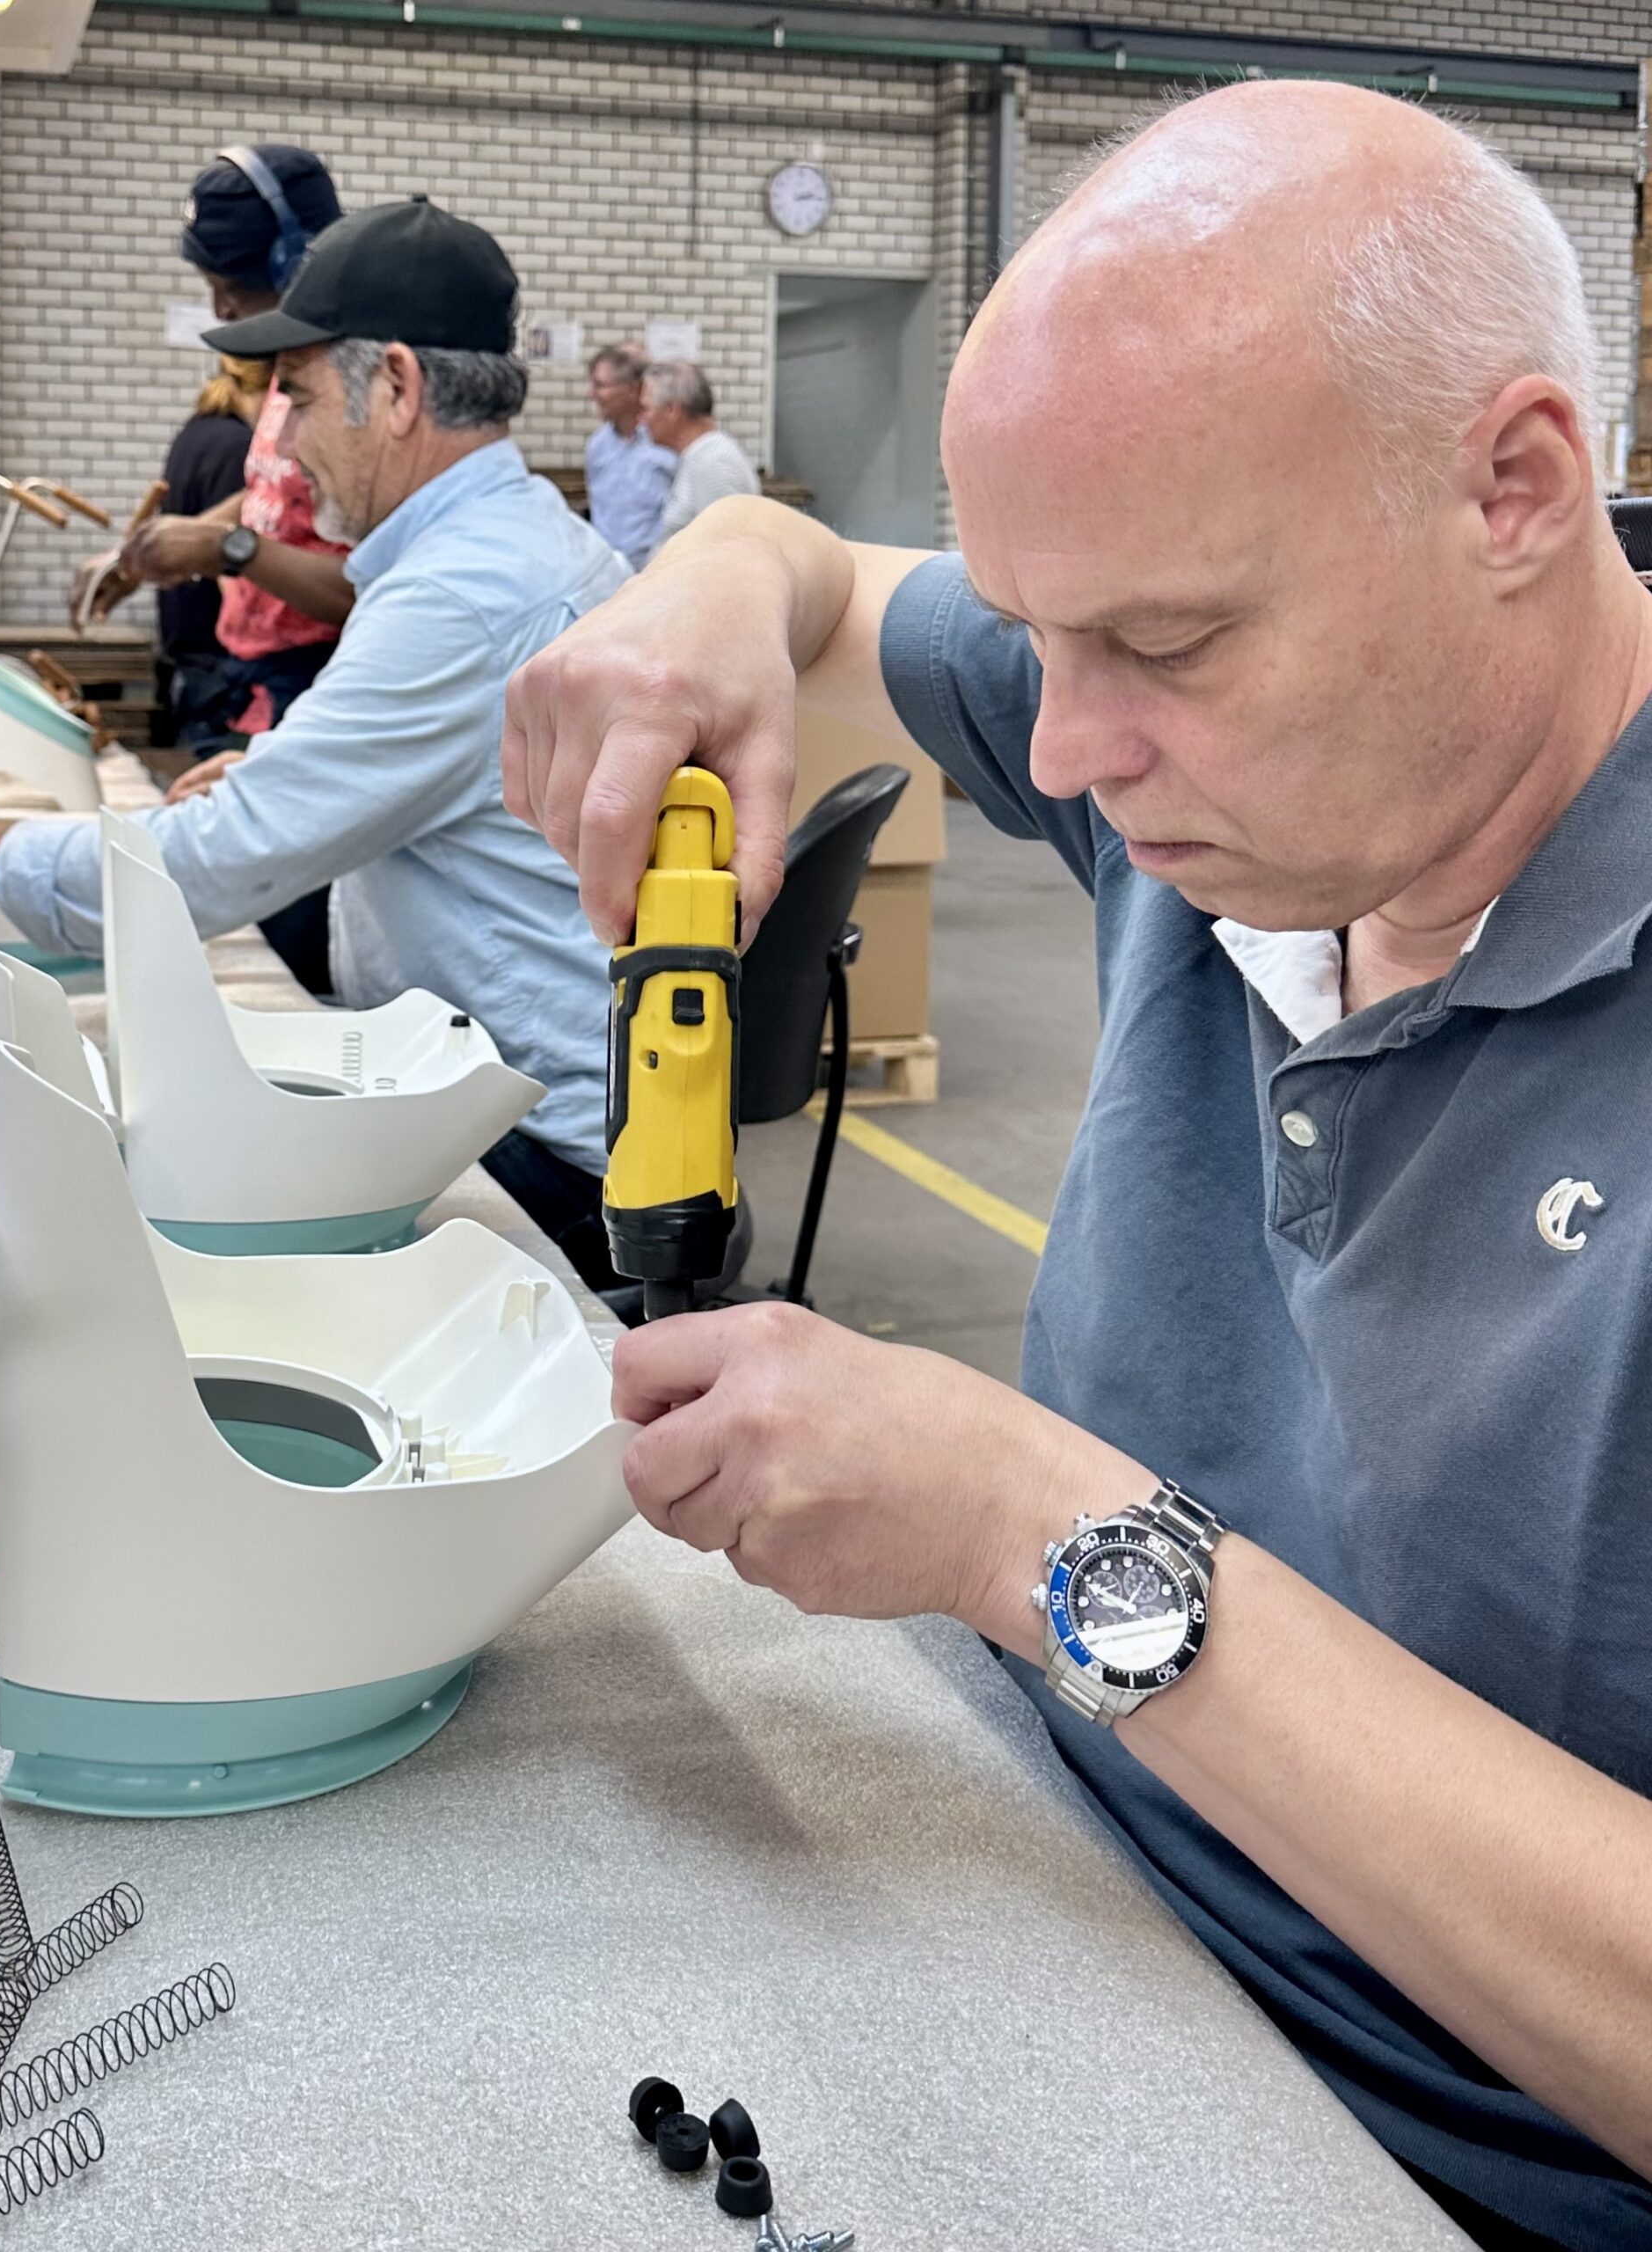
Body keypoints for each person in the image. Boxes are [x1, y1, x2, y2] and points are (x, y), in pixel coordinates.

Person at [503, 82, 1652, 2252]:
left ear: (1513, 484)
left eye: (1166, 645)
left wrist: (1041, 1533)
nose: (1055, 755)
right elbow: (828, 586)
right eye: (1036, 638)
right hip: (1038, 1909)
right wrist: (710, 578)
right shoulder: (1224, 773)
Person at [0, 198, 630, 1293]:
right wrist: (283, 781)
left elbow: (206, 872)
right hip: (538, 1090)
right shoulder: (505, 551)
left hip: (543, 1157)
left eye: (302, 398)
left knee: (114, 1239)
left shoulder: (461, 596)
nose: (275, 442)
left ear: (398, 388)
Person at [69, 142, 354, 990]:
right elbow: (272, 493)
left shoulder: (348, 380)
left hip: (313, 682)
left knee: (294, 953)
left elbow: (358, 586)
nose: (221, 303)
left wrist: (227, 549)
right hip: (255, 687)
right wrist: (169, 543)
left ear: (292, 258)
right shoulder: (286, 370)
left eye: (230, 278)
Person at [146, 352, 266, 750]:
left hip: (186, 651)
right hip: (217, 661)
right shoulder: (238, 447)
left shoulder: (194, 432)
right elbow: (227, 560)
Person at [641, 361, 758, 552]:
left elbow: (730, 554)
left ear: (672, 410)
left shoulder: (715, 463)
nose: (642, 420)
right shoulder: (699, 457)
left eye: (646, 409)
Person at [583, 342, 674, 569]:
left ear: (632, 390)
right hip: (606, 573)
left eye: (601, 386)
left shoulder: (665, 444)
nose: (592, 394)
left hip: (654, 575)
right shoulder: (598, 446)